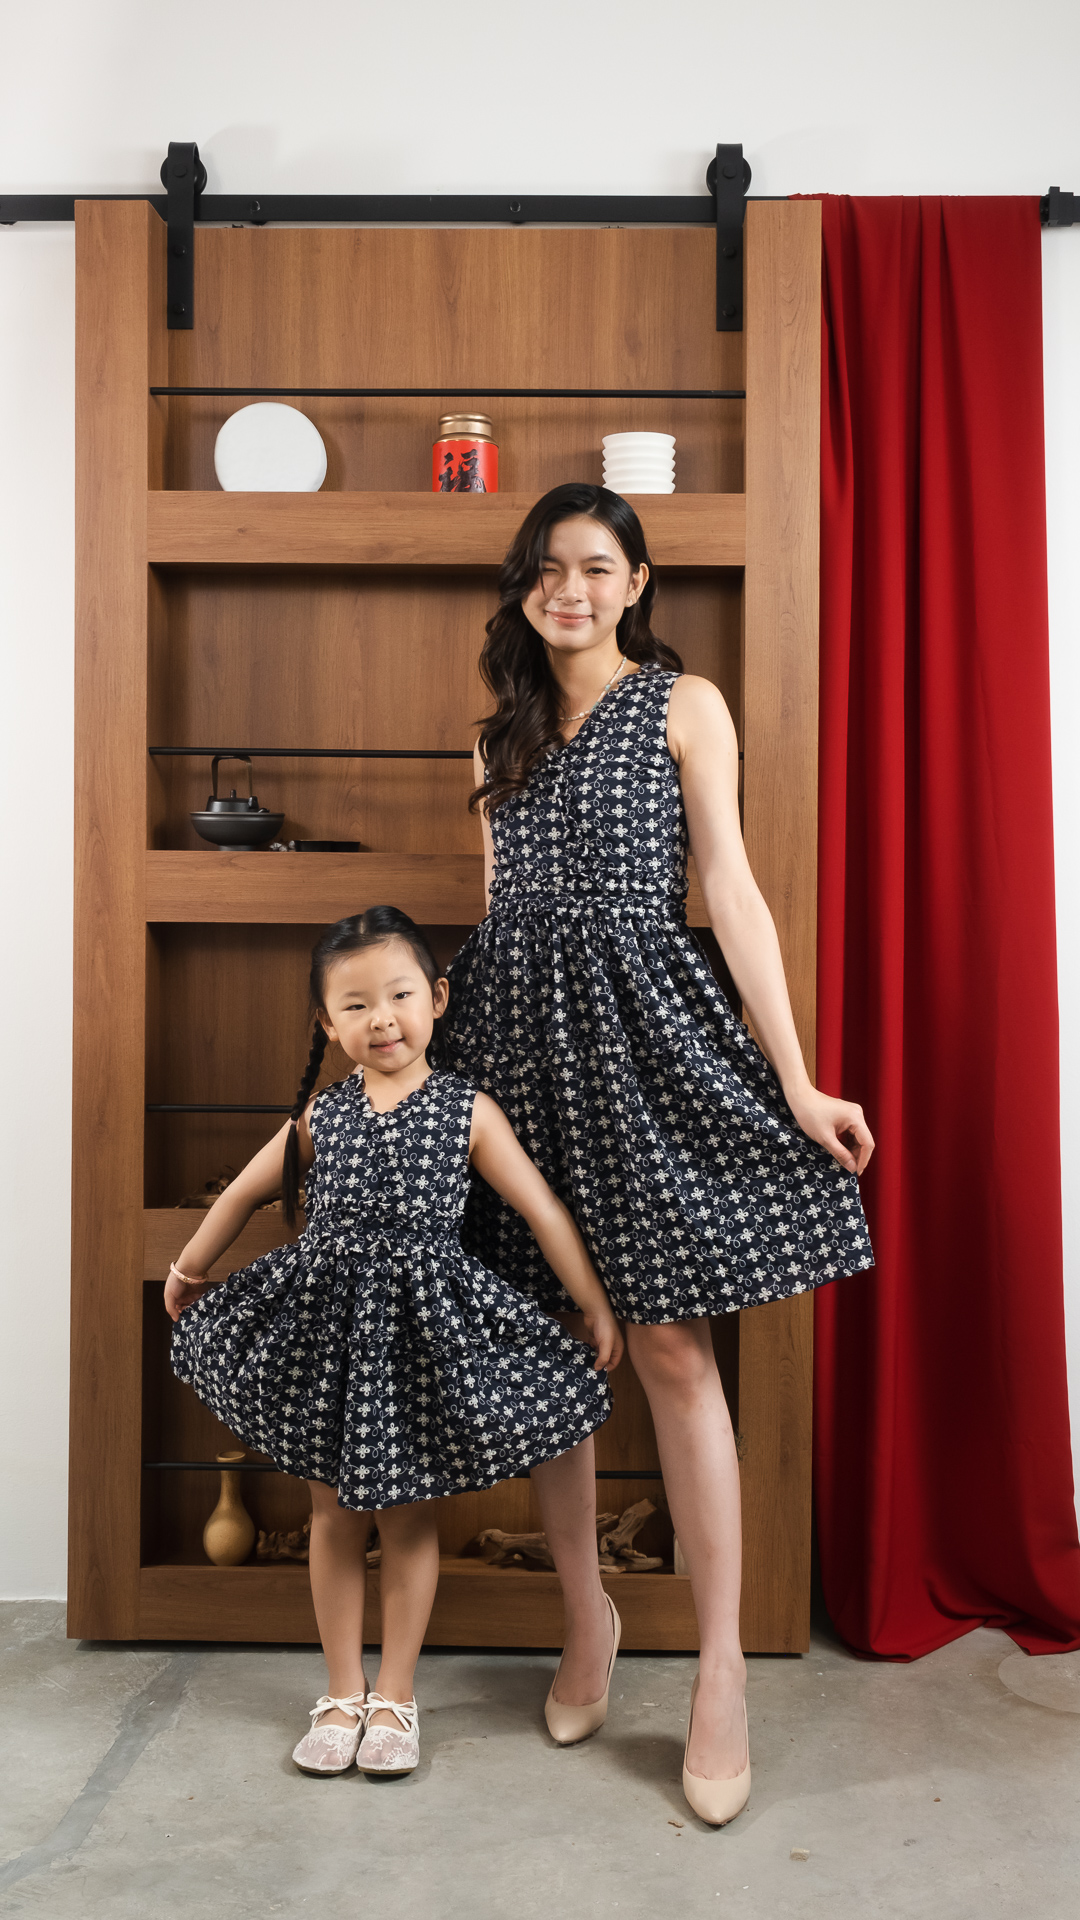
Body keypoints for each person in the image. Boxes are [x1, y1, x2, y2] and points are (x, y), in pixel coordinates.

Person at [438, 483, 875, 1825]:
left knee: (673, 1348)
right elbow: (499, 908)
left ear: (636, 583)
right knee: (553, 1344)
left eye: (595, 566)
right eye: (546, 567)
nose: (567, 588)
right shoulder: (495, 736)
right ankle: (588, 1620)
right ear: (524, 587)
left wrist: (795, 1076)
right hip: (513, 1047)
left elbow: (729, 887)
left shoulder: (684, 705)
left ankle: (721, 1669)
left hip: (641, 1041)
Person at [166, 906, 622, 1782]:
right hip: (326, 1342)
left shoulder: (467, 1110)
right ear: (327, 1024)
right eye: (356, 1005)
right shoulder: (320, 1116)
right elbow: (243, 1193)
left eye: (401, 995)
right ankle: (343, 1692)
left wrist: (593, 1303)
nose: (382, 1019)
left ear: (437, 999)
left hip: (419, 1344)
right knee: (332, 1514)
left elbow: (541, 1209)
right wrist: (189, 1267)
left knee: (409, 1519)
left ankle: (397, 1696)